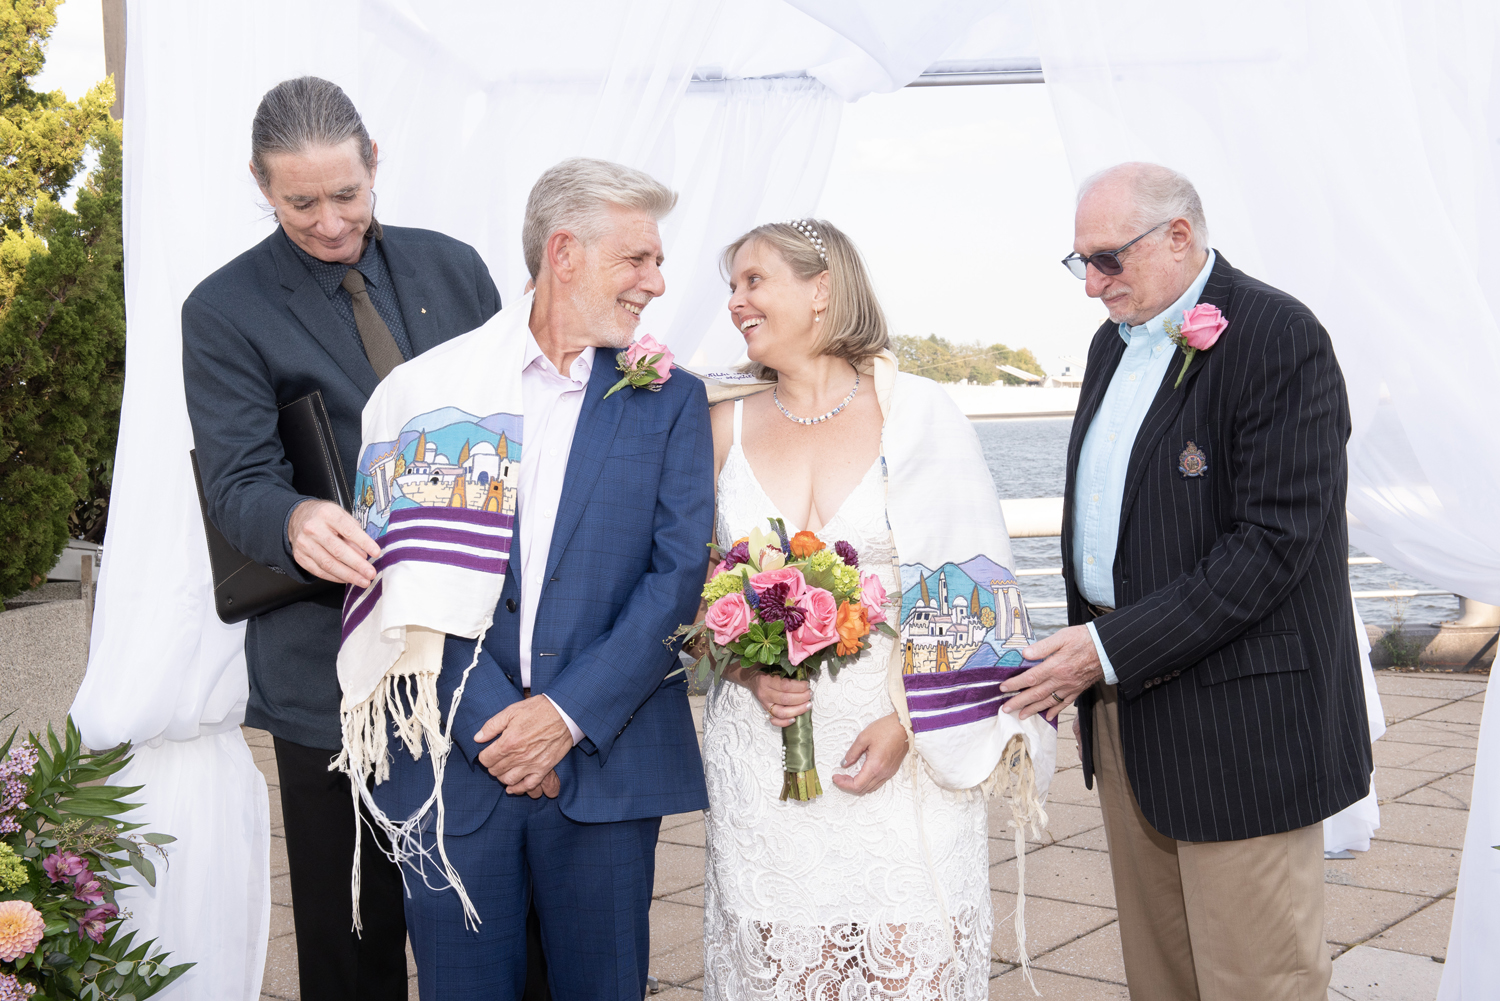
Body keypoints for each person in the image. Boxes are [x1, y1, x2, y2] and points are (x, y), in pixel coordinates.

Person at [1001, 162, 1372, 1000]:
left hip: (1244, 730)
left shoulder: (1279, 336)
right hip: (1128, 713)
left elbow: (1273, 546)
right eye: (1080, 263)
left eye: (1108, 259)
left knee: (1257, 981)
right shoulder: (1111, 344)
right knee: (1160, 979)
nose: (1092, 284)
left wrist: (1102, 648)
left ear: (1179, 237)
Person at [181, 76, 501, 1001]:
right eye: (300, 202)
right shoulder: (222, 309)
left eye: (346, 195)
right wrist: (294, 518)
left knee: (489, 906)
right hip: (326, 666)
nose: (328, 222)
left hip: (477, 650)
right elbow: (237, 482)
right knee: (353, 934)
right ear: (258, 182)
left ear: (374, 163)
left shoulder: (456, 267)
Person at [369, 158, 713, 1000]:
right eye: (639, 259)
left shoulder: (670, 400)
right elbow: (401, 577)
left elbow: (675, 579)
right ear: (564, 252)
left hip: (606, 765)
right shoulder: (429, 391)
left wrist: (563, 717)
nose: (657, 283)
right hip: (455, 763)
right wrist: (499, 727)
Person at [702, 219, 1046, 999]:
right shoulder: (718, 426)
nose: (735, 303)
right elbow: (683, 588)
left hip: (903, 753)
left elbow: (978, 592)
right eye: (731, 287)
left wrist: (909, 723)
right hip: (764, 754)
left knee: (909, 967)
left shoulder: (922, 418)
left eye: (754, 281)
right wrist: (748, 670)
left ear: (821, 289)